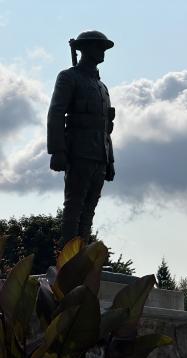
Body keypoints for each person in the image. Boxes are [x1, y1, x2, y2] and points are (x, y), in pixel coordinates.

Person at [47, 30, 115, 243]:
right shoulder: (69, 77)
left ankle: (82, 253)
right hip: (78, 152)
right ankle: (68, 256)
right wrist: (57, 150)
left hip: (99, 155)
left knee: (89, 210)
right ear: (84, 49)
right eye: (98, 46)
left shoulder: (102, 87)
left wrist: (110, 160)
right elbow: (56, 113)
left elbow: (106, 127)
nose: (102, 51)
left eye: (104, 47)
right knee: (74, 207)